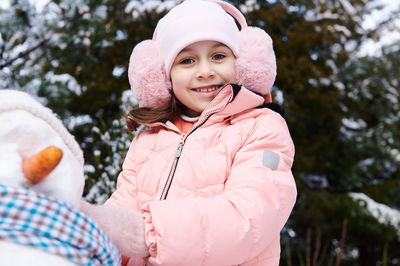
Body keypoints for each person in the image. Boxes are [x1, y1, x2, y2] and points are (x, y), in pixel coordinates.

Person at [80, 0, 297, 265]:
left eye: (218, 56)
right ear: (163, 77)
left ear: (243, 64)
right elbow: (122, 211)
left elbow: (252, 214)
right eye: (187, 60)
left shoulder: (261, 126)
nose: (205, 71)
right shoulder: (149, 139)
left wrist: (149, 234)